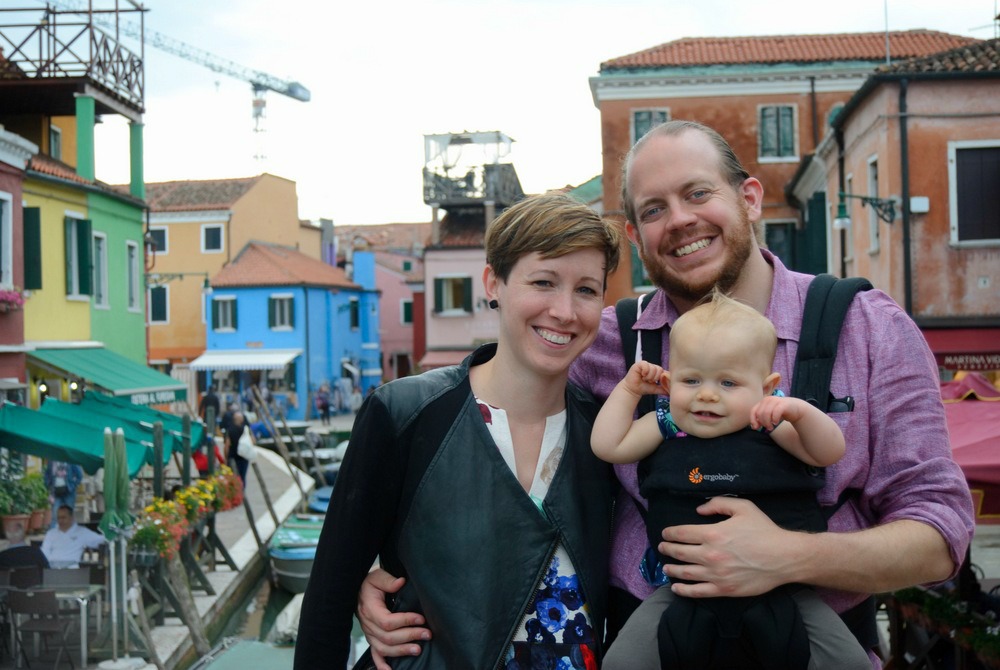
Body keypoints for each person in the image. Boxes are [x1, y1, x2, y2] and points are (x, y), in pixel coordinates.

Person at [355, 120, 975, 668]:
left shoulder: (867, 329)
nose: (679, 220)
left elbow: (940, 534)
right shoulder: (599, 341)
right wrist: (391, 570)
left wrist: (789, 556)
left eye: (698, 193)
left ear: (750, 197)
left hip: (809, 642)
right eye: (653, 209)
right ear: (634, 234)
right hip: (653, 640)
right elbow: (480, 427)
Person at [294, 193, 623, 669]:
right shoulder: (404, 414)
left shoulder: (607, 436)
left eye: (587, 290)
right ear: (494, 282)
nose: (565, 311)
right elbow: (327, 600)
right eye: (544, 282)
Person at [592, 291, 868, 669]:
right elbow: (609, 445)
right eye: (691, 380)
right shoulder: (666, 424)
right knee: (622, 661)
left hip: (781, 590)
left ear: (767, 388)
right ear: (670, 381)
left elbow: (828, 452)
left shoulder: (770, 424)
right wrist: (628, 390)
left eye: (727, 383)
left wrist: (800, 413)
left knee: (849, 661)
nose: (706, 395)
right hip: (684, 589)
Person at [40, 505, 106, 569]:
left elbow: (102, 540)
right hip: (51, 570)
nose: (60, 521)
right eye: (59, 518)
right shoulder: (51, 533)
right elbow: (44, 553)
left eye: (63, 517)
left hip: (72, 570)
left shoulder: (82, 532)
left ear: (71, 518)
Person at [44, 460, 83, 528]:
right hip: (55, 492)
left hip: (69, 492)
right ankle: (54, 537)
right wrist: (48, 484)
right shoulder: (52, 461)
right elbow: (47, 474)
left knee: (69, 515)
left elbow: (79, 475)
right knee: (55, 516)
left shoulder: (70, 460)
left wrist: (73, 486)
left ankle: (70, 536)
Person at [224, 410, 250, 487]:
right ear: (242, 420)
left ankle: (236, 492)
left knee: (234, 476)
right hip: (244, 457)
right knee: (243, 476)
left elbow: (227, 445)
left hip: (233, 457)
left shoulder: (230, 430)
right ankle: (242, 492)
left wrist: (226, 457)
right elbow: (253, 441)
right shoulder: (245, 430)